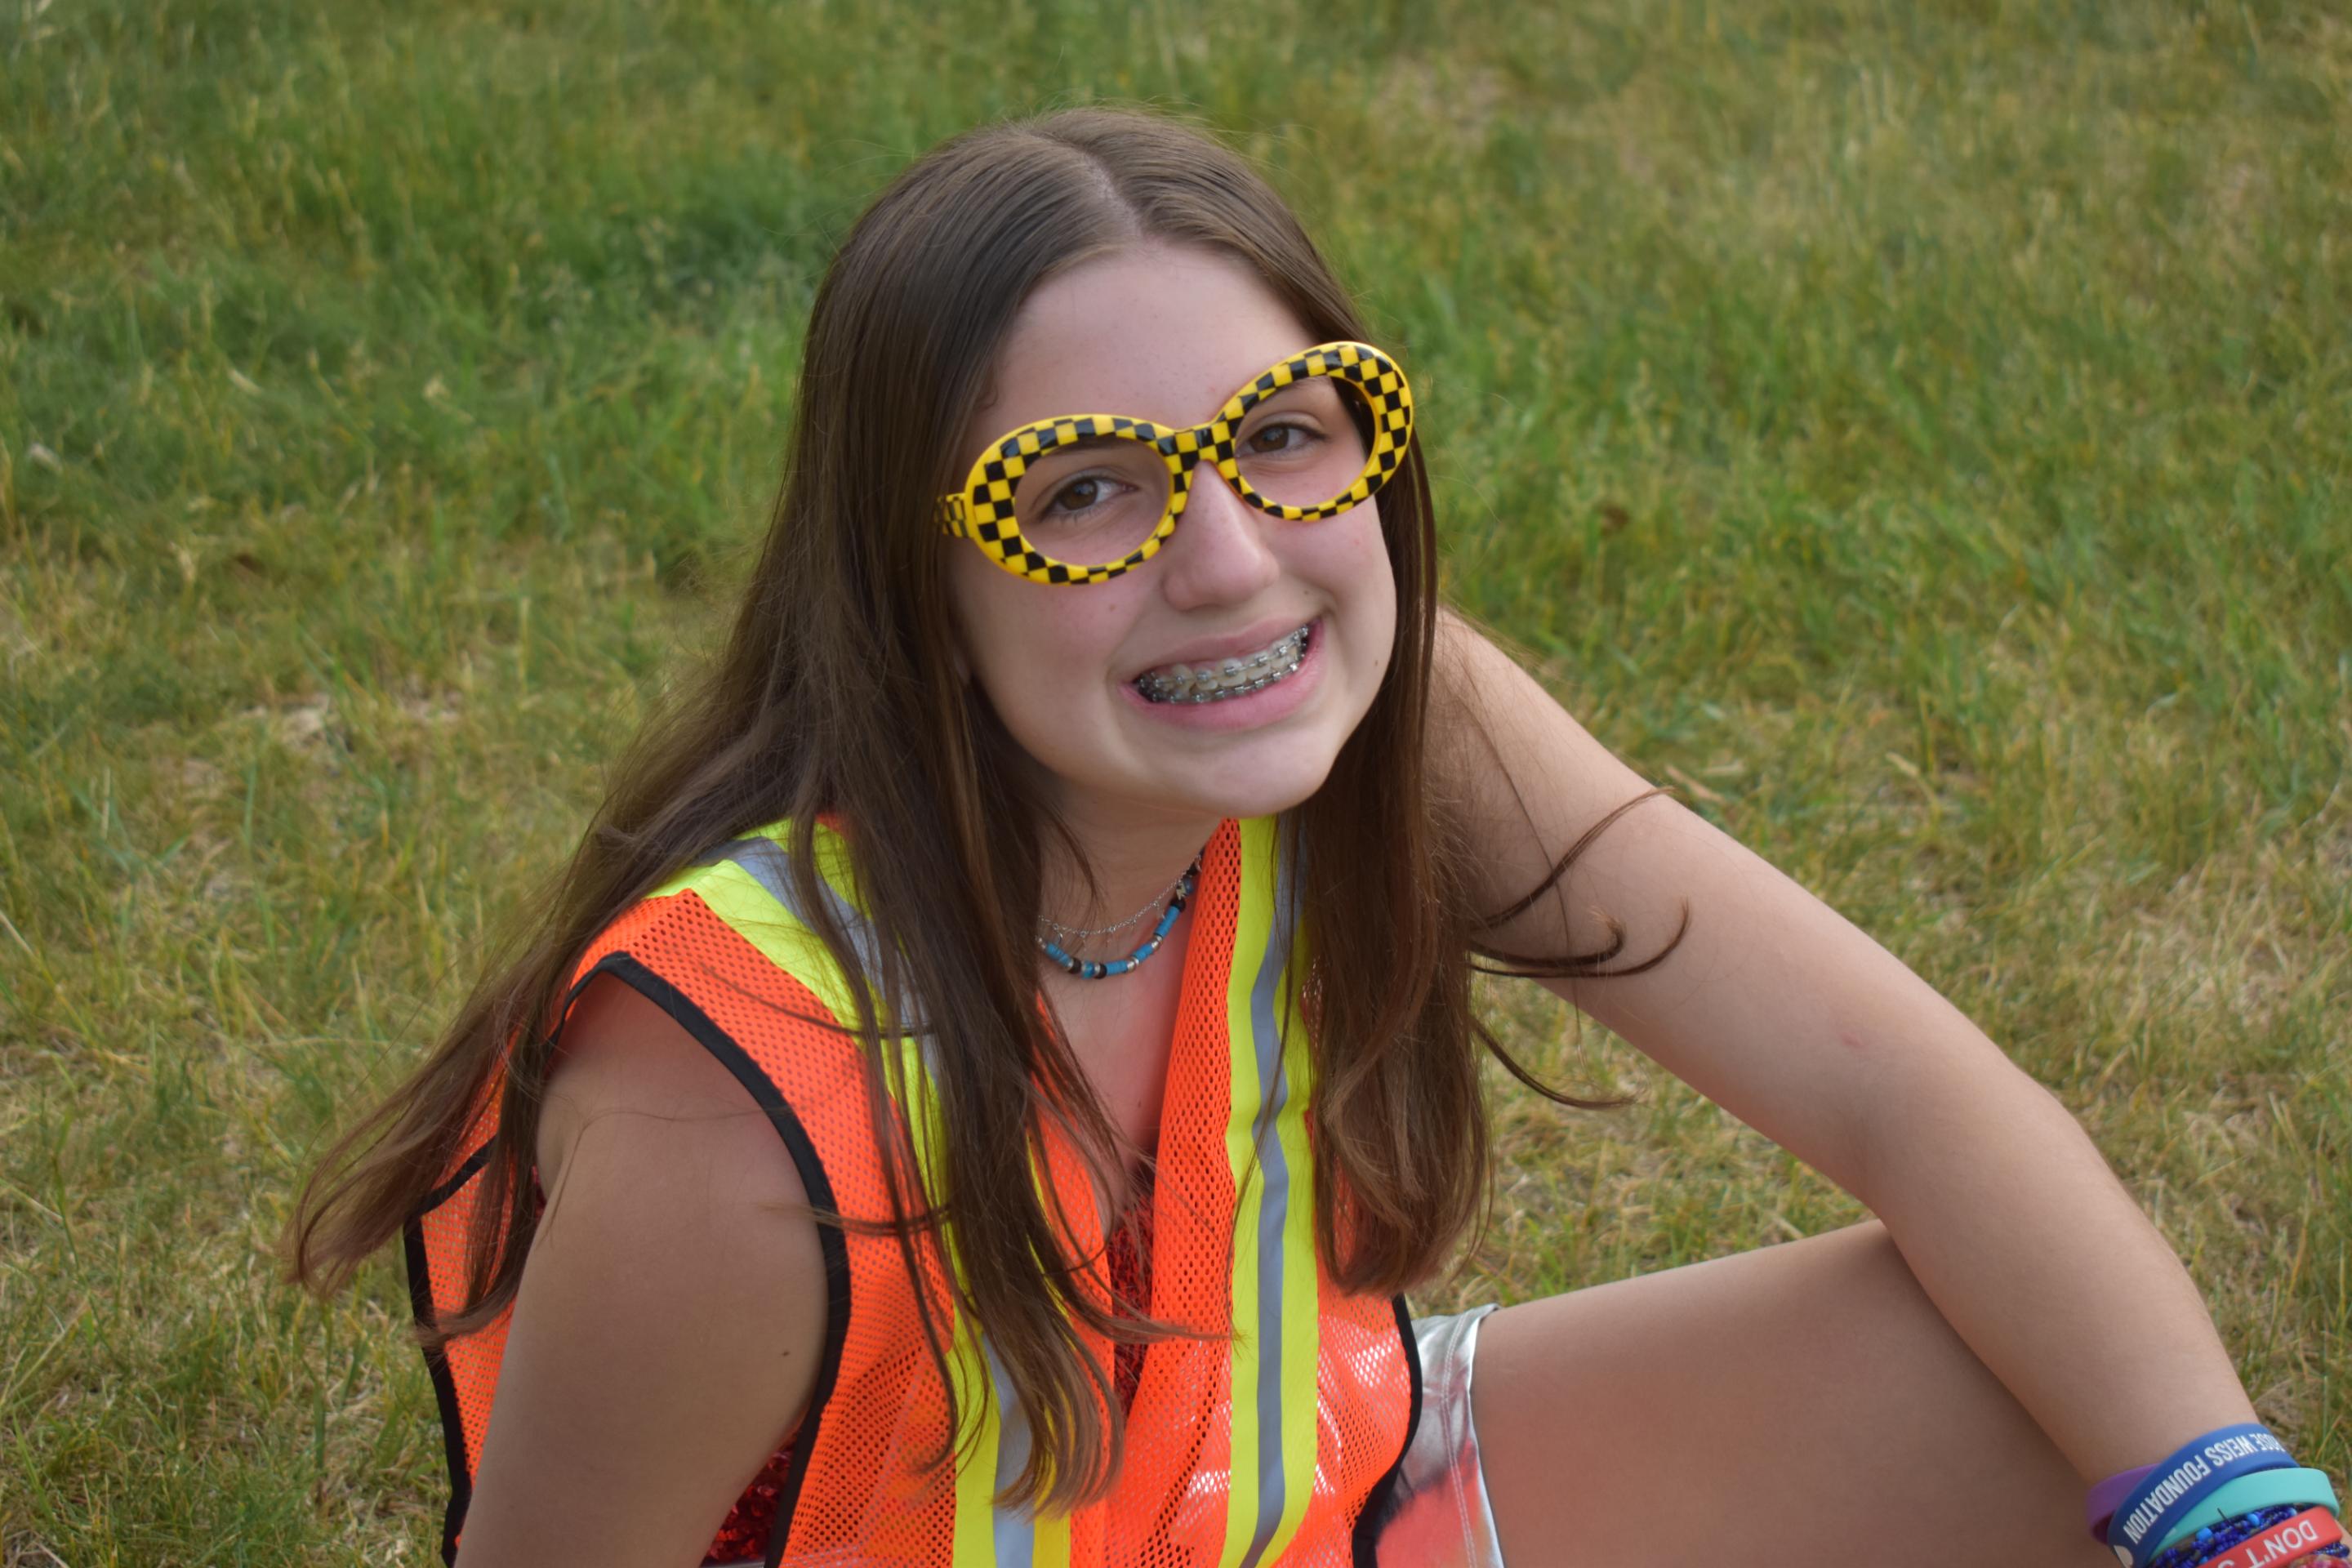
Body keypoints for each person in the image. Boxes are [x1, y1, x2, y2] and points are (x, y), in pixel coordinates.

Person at [287, 106, 2345, 1568]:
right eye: (1082, 491)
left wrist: (2249, 1523)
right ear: (913, 579)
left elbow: (1899, 1088)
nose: (1231, 563)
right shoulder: (733, 1108)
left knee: (2029, 1376)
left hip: (1315, 1488)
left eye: (1284, 436)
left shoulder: (1394, 728)